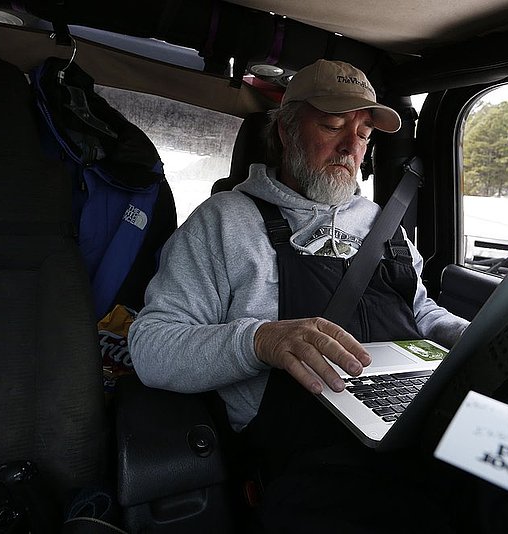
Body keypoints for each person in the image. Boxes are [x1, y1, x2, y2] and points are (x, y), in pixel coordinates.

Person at [129, 59, 470, 532]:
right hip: (308, 461)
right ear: (287, 132)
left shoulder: (383, 225)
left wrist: (473, 337)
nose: (352, 146)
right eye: (333, 126)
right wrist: (259, 341)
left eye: (364, 133)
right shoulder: (224, 222)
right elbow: (150, 346)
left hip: (416, 422)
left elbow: (421, 313)